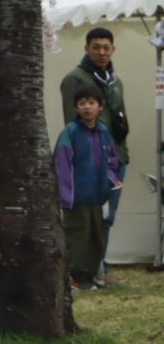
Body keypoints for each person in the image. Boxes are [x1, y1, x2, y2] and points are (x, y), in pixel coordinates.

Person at [59, 27, 129, 285]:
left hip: (115, 157)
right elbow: (72, 123)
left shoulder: (115, 80)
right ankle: (82, 273)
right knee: (83, 222)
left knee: (106, 217)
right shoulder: (75, 79)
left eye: (106, 47)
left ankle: (99, 269)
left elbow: (121, 118)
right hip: (87, 163)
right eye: (96, 47)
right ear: (86, 48)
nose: (101, 52)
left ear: (112, 49)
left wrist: (121, 153)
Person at [54, 83, 123, 291]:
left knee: (97, 237)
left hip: (98, 196)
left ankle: (90, 276)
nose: (87, 107)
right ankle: (76, 278)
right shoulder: (70, 132)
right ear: (75, 108)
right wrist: (66, 195)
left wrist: (111, 180)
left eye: (91, 103)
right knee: (78, 237)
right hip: (76, 196)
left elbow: (113, 160)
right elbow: (62, 164)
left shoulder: (103, 132)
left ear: (100, 107)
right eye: (82, 103)